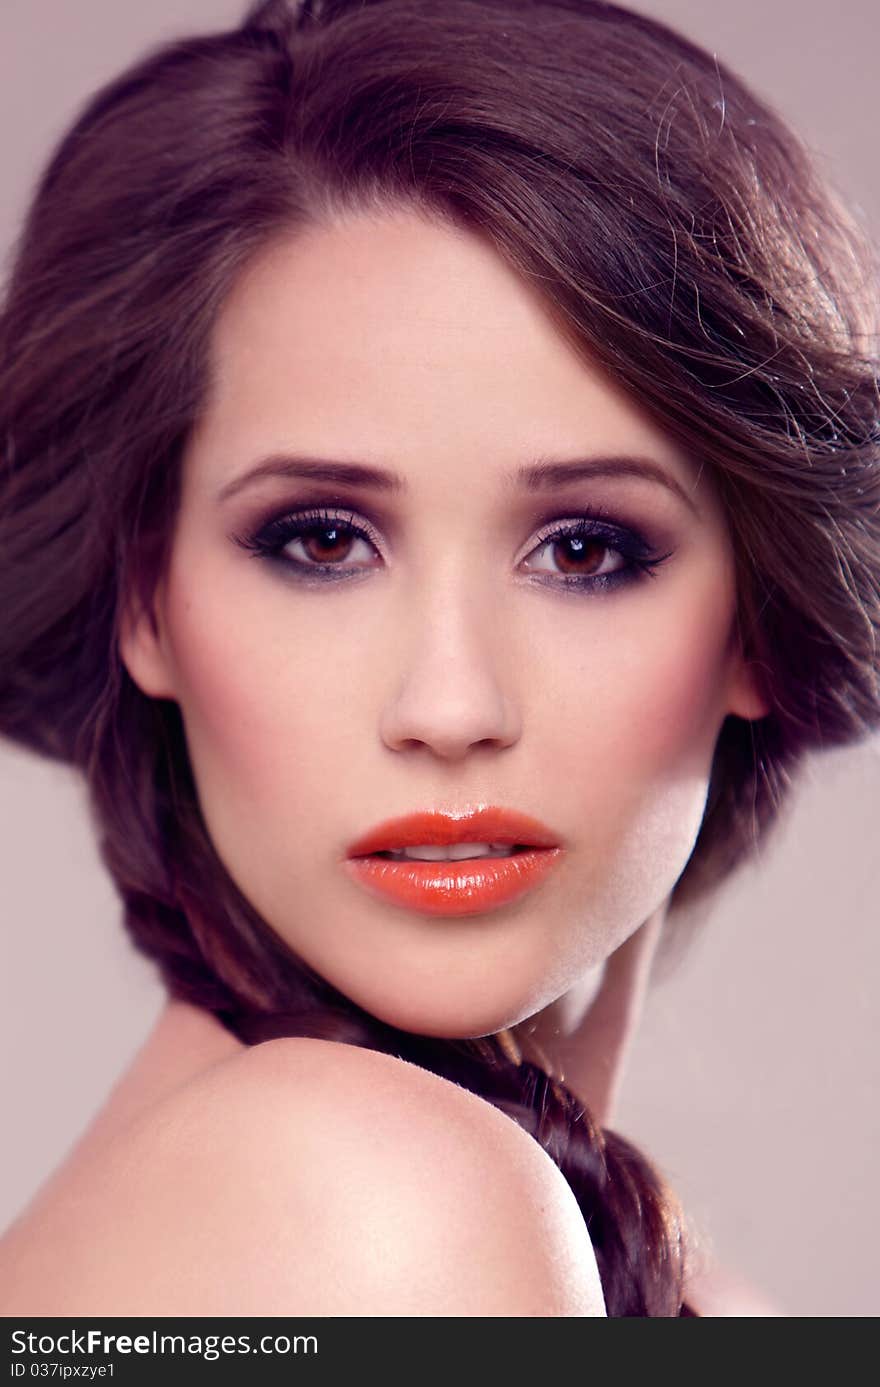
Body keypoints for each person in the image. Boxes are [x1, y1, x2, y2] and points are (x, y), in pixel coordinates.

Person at [0, 0, 877, 1318]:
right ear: (147, 605)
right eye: (320, 540)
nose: (451, 708)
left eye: (585, 549)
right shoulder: (371, 1197)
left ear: (758, 614)